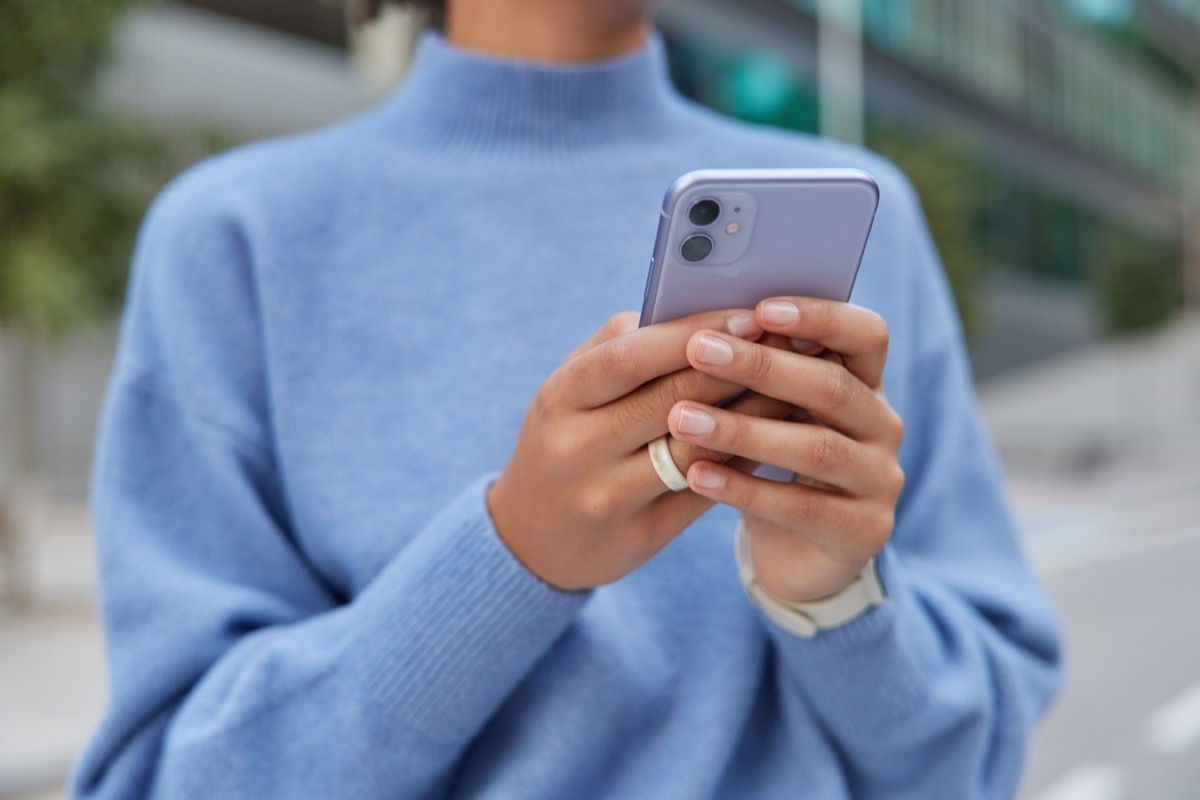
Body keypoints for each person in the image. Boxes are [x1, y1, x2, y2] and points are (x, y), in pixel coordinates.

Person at [71, 0, 1062, 797]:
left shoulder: (858, 211)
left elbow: (969, 765)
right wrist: (511, 557)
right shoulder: (236, 236)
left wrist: (837, 599)